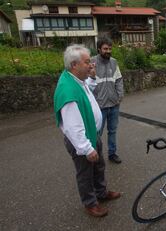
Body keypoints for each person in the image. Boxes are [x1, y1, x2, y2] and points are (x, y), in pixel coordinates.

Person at [54, 44, 121, 217]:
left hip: (92, 134)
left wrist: (91, 80)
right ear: (74, 65)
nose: (91, 64)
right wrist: (86, 148)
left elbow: (87, 96)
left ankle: (101, 193)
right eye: (87, 62)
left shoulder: (77, 80)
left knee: (99, 167)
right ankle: (90, 203)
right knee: (85, 173)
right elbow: (72, 127)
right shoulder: (68, 89)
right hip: (82, 140)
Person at [89, 37, 124, 164]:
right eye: (105, 49)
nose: (108, 51)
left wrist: (120, 96)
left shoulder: (114, 62)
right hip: (99, 106)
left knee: (112, 131)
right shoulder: (92, 62)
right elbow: (86, 83)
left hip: (114, 104)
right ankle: (94, 155)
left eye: (110, 48)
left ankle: (112, 153)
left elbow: (119, 80)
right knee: (96, 132)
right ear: (99, 49)